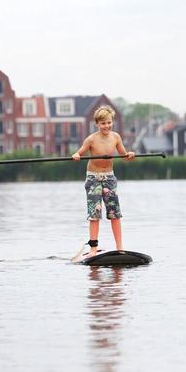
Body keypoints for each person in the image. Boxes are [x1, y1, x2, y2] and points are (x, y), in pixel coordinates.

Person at [71, 105, 135, 259]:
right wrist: (76, 155)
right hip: (93, 178)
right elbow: (79, 152)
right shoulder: (91, 139)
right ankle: (93, 248)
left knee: (114, 213)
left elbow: (123, 154)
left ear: (112, 122)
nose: (106, 126)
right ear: (97, 124)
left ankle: (120, 248)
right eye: (103, 123)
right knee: (95, 213)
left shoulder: (116, 137)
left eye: (109, 122)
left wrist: (129, 155)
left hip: (109, 178)